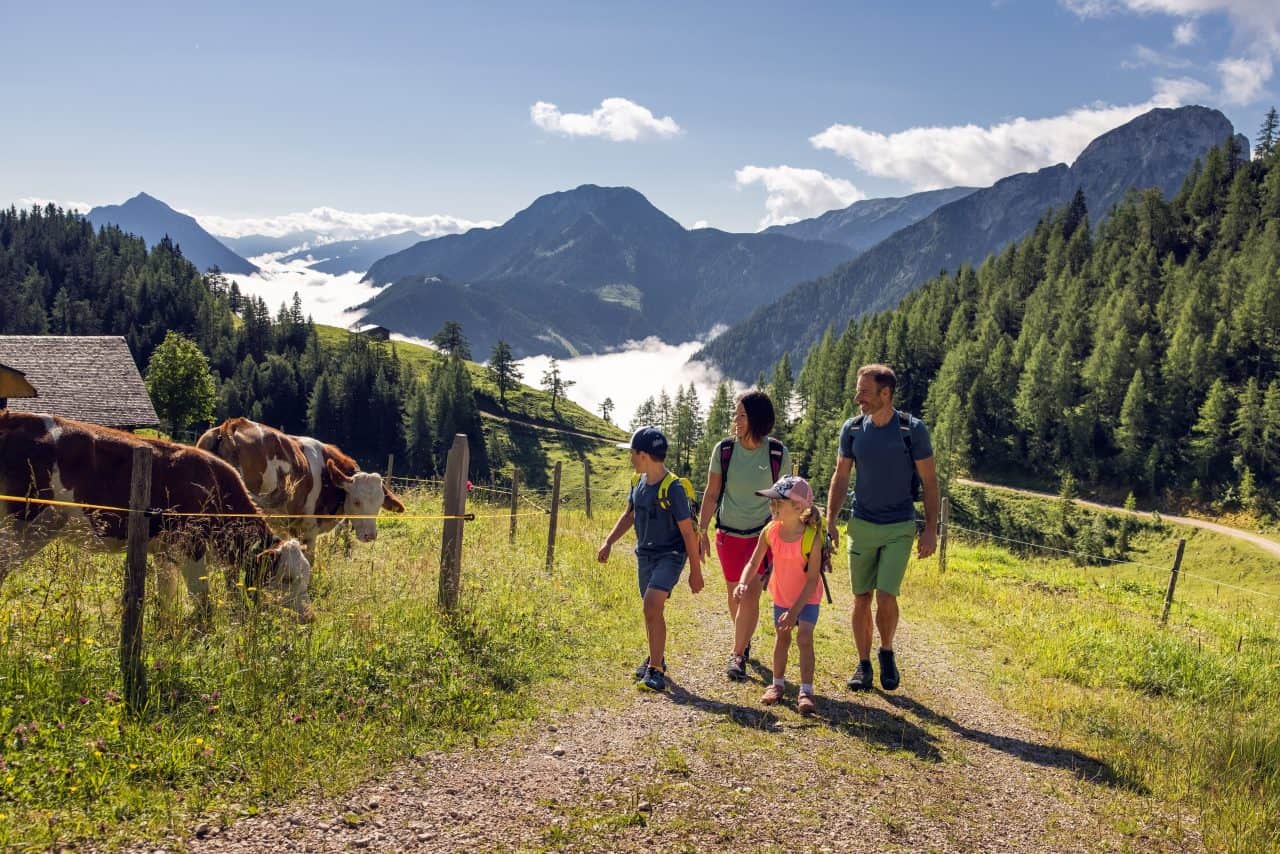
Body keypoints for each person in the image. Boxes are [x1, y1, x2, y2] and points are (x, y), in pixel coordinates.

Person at [825, 364, 939, 692]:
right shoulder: (853, 429)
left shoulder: (911, 430)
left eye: (864, 391)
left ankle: (886, 651)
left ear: (885, 393)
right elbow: (841, 476)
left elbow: (930, 482)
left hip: (899, 526)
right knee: (861, 598)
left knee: (886, 596)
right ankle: (863, 665)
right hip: (862, 524)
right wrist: (831, 521)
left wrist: (930, 529)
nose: (857, 397)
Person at [598, 426, 704, 692]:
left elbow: (688, 532)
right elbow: (629, 516)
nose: (631, 459)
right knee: (651, 610)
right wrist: (609, 541)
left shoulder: (674, 488)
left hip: (671, 555)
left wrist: (695, 571)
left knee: (651, 605)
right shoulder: (637, 483)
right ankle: (656, 657)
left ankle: (655, 670)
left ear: (644, 455)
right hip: (645, 555)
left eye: (633, 453)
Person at [696, 390, 791, 681]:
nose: (735, 420)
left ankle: (736, 654)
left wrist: (785, 537)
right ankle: (744, 641)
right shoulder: (724, 450)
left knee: (748, 593)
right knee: (733, 593)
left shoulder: (776, 453)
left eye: (742, 415)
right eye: (735, 414)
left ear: (757, 419)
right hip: (728, 534)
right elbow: (712, 494)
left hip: (761, 536)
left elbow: (785, 498)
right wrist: (701, 531)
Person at [734, 475, 825, 714]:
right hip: (782, 596)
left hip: (807, 597)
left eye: (778, 502)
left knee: (804, 637)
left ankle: (805, 691)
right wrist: (743, 583)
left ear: (798, 507)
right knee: (781, 638)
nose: (772, 506)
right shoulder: (770, 531)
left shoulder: (811, 537)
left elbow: (813, 579)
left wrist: (795, 612)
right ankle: (777, 684)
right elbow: (753, 562)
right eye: (771, 502)